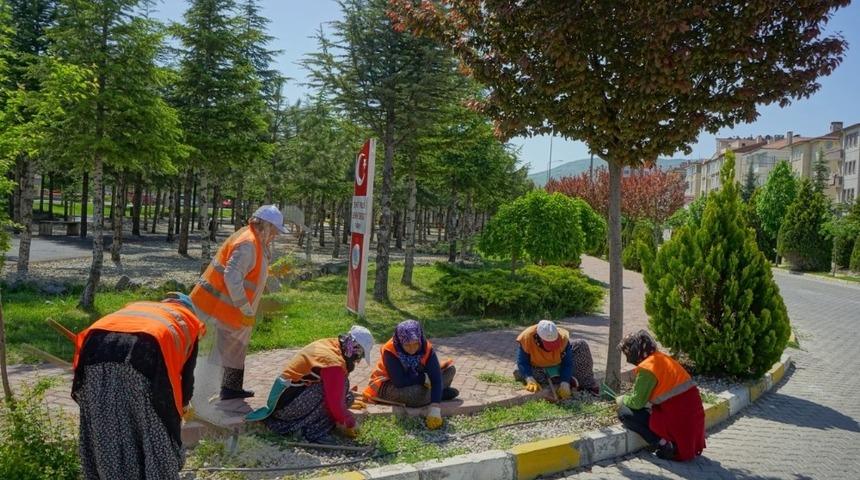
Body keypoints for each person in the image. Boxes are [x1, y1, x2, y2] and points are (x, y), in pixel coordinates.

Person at [72, 293, 206, 480]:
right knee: (153, 425)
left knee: (106, 421)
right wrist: (182, 406)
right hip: (141, 355)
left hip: (93, 351)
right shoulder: (188, 323)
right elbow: (187, 377)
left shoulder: (144, 308)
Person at [190, 204, 287, 400]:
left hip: (229, 306)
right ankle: (223, 389)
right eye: (274, 231)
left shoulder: (253, 239)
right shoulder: (248, 244)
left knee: (232, 347)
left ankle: (228, 388)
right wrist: (245, 307)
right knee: (229, 346)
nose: (275, 236)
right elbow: (232, 276)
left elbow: (251, 271)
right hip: (225, 305)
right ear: (265, 226)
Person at [246, 326, 374, 442]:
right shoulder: (333, 364)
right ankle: (313, 431)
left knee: (344, 391)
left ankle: (309, 423)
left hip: (282, 396)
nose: (358, 361)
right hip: (285, 407)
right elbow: (334, 404)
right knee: (333, 395)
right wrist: (350, 422)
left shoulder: (332, 344)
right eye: (360, 356)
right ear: (354, 349)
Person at [617, 329, 706, 461]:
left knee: (624, 412)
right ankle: (671, 442)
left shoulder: (647, 368)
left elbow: (637, 402)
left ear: (635, 352)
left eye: (627, 354)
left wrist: (621, 399)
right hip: (692, 421)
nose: (628, 358)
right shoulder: (661, 358)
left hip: (678, 422)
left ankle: (664, 444)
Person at [363, 320, 458, 430]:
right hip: (389, 383)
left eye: (415, 344)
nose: (412, 349)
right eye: (407, 345)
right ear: (400, 342)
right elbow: (400, 381)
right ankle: (439, 394)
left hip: (415, 378)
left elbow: (435, 378)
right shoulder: (390, 350)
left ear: (420, 339)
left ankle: (434, 395)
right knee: (415, 394)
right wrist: (423, 378)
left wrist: (435, 409)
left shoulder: (426, 347)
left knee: (450, 370)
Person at [513, 319, 599, 398]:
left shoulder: (562, 338)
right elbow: (522, 361)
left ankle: (584, 384)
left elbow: (567, 362)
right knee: (519, 370)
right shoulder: (527, 338)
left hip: (559, 363)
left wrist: (565, 382)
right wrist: (529, 378)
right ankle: (566, 379)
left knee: (581, 344)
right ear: (539, 338)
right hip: (538, 367)